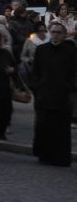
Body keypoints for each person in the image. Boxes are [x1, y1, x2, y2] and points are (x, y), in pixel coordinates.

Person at [31, 22, 75, 166]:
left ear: (63, 35)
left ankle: (60, 158)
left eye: (58, 32)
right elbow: (35, 72)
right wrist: (38, 87)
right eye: (53, 32)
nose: (55, 34)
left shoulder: (70, 51)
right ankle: (45, 156)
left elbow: (74, 73)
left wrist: (69, 87)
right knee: (44, 127)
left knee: (61, 129)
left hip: (62, 96)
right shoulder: (41, 50)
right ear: (50, 33)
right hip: (44, 95)